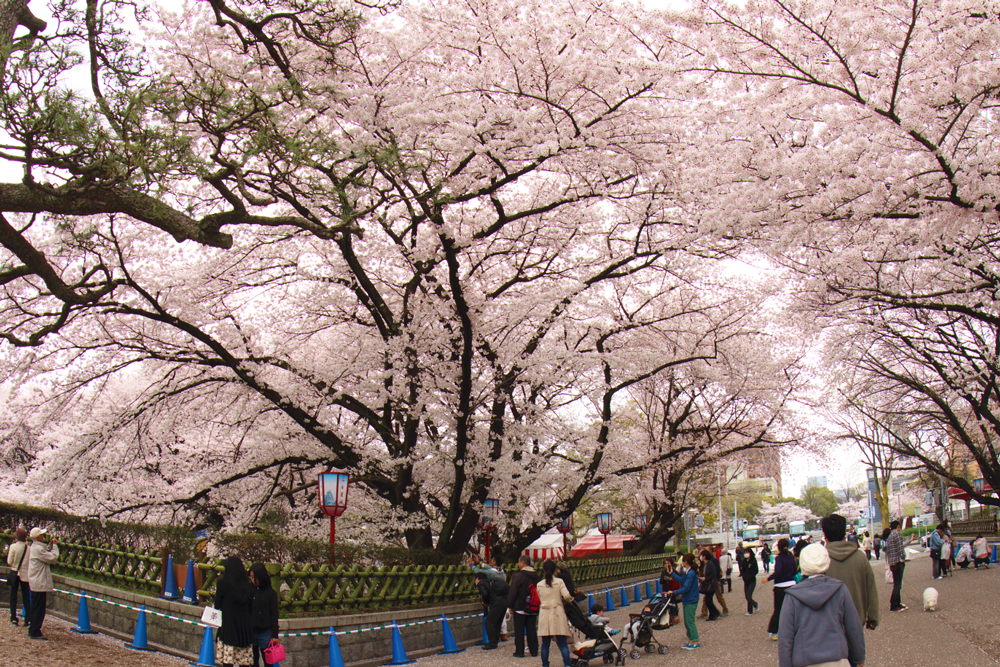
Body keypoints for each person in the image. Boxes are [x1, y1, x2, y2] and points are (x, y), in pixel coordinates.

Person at [778, 543, 866, 667]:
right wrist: (859, 656)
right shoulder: (840, 589)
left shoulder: (792, 596)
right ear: (827, 562)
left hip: (804, 660)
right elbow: (854, 627)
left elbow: (785, 639)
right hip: (838, 659)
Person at [821, 514, 879, 635]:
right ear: (844, 533)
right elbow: (871, 589)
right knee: (856, 652)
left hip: (828, 625)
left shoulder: (821, 558)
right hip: (856, 621)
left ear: (824, 535)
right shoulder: (860, 557)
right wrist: (873, 617)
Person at [216, 556, 255, 667]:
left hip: (228, 625)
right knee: (244, 660)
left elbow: (217, 605)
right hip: (244, 627)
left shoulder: (222, 583)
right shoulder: (247, 585)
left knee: (227, 660)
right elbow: (251, 606)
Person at [536, 560, 573, 667]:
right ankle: (567, 664)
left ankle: (545, 664)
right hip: (557, 612)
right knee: (562, 643)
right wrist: (568, 600)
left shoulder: (539, 585)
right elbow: (566, 596)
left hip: (544, 613)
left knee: (545, 644)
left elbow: (540, 598)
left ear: (543, 570)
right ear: (555, 570)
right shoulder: (559, 582)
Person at [27, 527, 58, 640]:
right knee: (39, 609)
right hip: (39, 582)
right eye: (42, 535)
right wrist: (55, 546)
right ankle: (35, 631)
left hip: (35, 582)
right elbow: (52, 558)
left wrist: (49, 545)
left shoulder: (34, 547)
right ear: (37, 537)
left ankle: (33, 629)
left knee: (35, 607)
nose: (43, 537)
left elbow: (45, 551)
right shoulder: (38, 549)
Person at [507, 554, 540, 658]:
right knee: (531, 628)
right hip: (533, 606)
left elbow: (513, 592)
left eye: (519, 562)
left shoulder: (518, 576)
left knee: (519, 630)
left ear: (522, 563)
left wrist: (510, 605)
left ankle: (520, 651)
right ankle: (534, 650)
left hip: (520, 606)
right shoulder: (536, 576)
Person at [667, 552, 701, 650]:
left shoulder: (690, 573)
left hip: (691, 599)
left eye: (683, 561)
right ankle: (691, 640)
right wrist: (672, 573)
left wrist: (673, 592)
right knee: (687, 622)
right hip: (688, 599)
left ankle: (695, 640)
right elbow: (682, 580)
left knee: (690, 621)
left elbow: (686, 588)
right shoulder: (688, 572)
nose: (682, 562)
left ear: (686, 562)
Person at [248, 563, 280, 667]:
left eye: (254, 577)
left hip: (265, 632)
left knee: (268, 662)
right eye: (251, 576)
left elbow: (274, 615)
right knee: (252, 661)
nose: (252, 579)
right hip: (251, 631)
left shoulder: (271, 593)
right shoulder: (249, 591)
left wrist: (275, 635)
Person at [766, 538, 796, 640]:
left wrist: (769, 578)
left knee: (778, 610)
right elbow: (795, 570)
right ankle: (792, 630)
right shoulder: (790, 556)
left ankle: (774, 631)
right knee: (791, 610)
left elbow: (778, 571)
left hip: (780, 586)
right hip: (791, 584)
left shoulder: (779, 558)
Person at [475, 570, 508, 650]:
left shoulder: (481, 583)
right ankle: (495, 641)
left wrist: (486, 603)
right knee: (497, 622)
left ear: (478, 579)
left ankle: (492, 642)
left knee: (489, 622)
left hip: (496, 603)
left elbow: (485, 594)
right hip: (505, 601)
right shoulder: (491, 582)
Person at [6, 527, 29, 627]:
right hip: (25, 574)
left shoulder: (13, 546)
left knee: (13, 596)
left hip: (15, 573)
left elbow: (9, 561)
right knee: (26, 597)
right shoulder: (29, 548)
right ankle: (28, 618)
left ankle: (13, 618)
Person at [885, 521, 907, 612]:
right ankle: (895, 605)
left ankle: (897, 602)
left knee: (896, 583)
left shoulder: (890, 536)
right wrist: (903, 557)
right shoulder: (897, 534)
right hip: (898, 562)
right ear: (898, 526)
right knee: (898, 584)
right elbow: (900, 547)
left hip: (892, 562)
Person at [698, 549, 721, 621]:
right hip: (707, 584)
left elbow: (714, 573)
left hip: (711, 585)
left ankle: (715, 612)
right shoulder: (705, 564)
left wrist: (705, 578)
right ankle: (713, 614)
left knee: (708, 600)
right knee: (708, 600)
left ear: (704, 557)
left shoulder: (710, 563)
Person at [741, 545, 759, 615]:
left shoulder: (753, 560)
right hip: (746, 581)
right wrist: (743, 576)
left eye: (747, 552)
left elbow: (756, 570)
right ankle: (755, 604)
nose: (746, 554)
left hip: (752, 581)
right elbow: (742, 570)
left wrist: (751, 576)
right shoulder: (744, 561)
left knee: (749, 595)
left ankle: (750, 611)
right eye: (745, 552)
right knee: (746, 597)